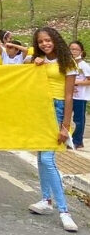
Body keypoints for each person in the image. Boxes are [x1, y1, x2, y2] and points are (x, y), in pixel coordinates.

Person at [28, 27, 78, 232]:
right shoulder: (39, 61)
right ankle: (46, 200)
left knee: (48, 159)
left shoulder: (68, 63)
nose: (45, 44)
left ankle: (64, 211)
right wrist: (34, 63)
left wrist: (65, 126)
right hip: (40, 109)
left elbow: (68, 97)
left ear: (55, 40)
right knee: (41, 157)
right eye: (40, 42)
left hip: (57, 109)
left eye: (48, 40)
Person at [69, 41, 89, 149]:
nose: (73, 52)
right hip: (70, 96)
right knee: (65, 117)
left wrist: (76, 83)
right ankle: (69, 138)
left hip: (80, 97)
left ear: (81, 51)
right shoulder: (69, 64)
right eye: (71, 49)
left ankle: (77, 141)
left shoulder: (84, 66)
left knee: (78, 119)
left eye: (75, 49)